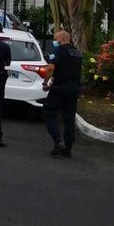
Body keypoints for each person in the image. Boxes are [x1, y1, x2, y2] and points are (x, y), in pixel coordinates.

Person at [43, 29, 83, 158]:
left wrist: (45, 82)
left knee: (49, 112)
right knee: (69, 118)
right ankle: (68, 148)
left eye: (56, 39)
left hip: (60, 88)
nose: (55, 41)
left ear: (62, 39)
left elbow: (50, 68)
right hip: (74, 89)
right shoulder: (77, 53)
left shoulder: (60, 50)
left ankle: (58, 141)